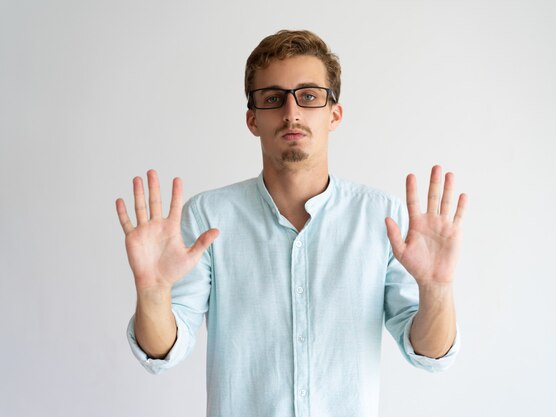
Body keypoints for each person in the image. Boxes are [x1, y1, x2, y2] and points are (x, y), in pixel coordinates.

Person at [115, 29, 467, 417]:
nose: (291, 112)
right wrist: (152, 292)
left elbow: (430, 354)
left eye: (309, 96)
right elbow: (164, 349)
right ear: (252, 119)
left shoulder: (382, 219)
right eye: (273, 99)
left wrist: (436, 289)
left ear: (334, 114)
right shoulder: (208, 218)